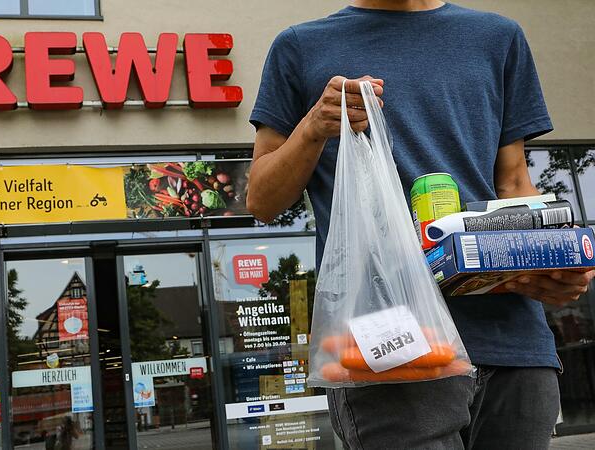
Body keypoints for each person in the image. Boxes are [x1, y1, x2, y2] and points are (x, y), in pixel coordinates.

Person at [246, 1, 595, 448]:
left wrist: (552, 261)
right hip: (388, 344)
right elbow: (262, 200)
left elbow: (512, 182)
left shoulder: (498, 38)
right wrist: (313, 126)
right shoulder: (300, 47)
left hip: (511, 341)